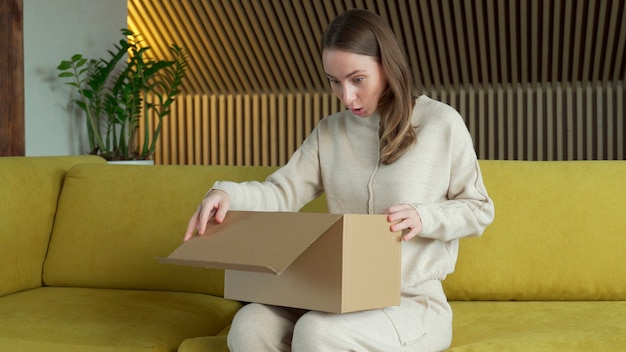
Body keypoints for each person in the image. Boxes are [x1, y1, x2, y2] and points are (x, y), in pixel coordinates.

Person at [185, 8, 494, 352]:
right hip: (336, 296)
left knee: (316, 332)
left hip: (410, 302)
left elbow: (479, 209)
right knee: (249, 325)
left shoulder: (440, 123)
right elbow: (280, 192)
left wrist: (425, 216)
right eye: (335, 81)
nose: (346, 97)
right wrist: (227, 194)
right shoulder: (329, 133)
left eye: (357, 79)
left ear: (386, 64)